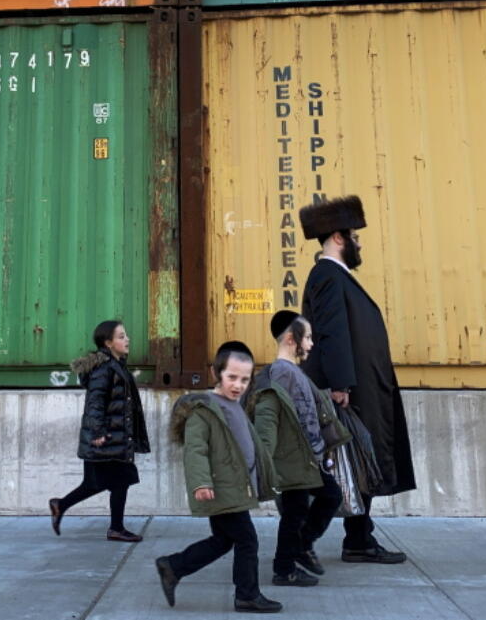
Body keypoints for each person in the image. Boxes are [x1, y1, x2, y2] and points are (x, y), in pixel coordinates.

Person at [298, 195, 416, 563]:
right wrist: (340, 384)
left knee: (362, 464)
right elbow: (331, 332)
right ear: (338, 237)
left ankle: (359, 540)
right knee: (348, 467)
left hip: (360, 387)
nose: (359, 243)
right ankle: (306, 543)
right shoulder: (328, 276)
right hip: (352, 391)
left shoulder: (337, 278)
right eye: (355, 236)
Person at [154, 343, 282, 614]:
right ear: (216, 373)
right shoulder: (205, 409)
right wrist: (201, 482)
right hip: (220, 488)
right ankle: (247, 595)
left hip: (235, 487)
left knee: (223, 541)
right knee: (247, 540)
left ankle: (173, 566)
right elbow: (196, 450)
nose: (238, 385)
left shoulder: (235, 405)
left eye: (245, 379)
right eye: (232, 377)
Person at [253, 310, 348, 585]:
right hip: (295, 459)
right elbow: (282, 415)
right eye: (307, 338)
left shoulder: (293, 372)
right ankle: (286, 567)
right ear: (292, 339)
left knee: (322, 500)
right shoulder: (282, 372)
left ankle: (298, 550)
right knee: (299, 511)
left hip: (306, 457)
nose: (311, 344)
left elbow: (307, 407)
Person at [49, 320, 150, 542]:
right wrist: (97, 433)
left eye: (126, 335)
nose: (127, 339)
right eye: (121, 336)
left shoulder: (116, 365)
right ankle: (64, 506)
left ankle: (114, 527)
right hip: (106, 438)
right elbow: (95, 403)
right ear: (108, 342)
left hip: (116, 438)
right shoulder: (104, 369)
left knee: (118, 481)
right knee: (101, 483)